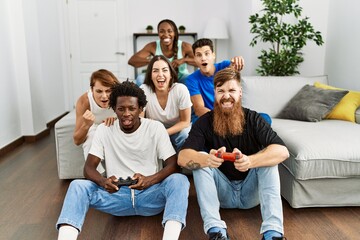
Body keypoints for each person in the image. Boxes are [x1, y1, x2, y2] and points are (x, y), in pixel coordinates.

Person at [56, 81, 190, 240]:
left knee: (179, 180)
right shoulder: (104, 130)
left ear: (141, 109)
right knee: (77, 185)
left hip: (150, 195)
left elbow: (173, 164)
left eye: (132, 108)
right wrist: (103, 181)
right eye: (121, 109)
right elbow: (89, 168)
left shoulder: (155, 128)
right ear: (114, 109)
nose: (126, 113)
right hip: (116, 197)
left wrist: (149, 180)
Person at [178, 68, 289, 240]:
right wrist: (207, 159)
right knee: (199, 161)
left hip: (251, 192)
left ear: (240, 92)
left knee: (268, 159)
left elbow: (282, 151)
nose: (226, 96)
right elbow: (183, 157)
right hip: (222, 194)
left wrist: (250, 161)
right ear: (214, 93)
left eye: (231, 90)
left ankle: (273, 233)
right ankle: (216, 232)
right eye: (221, 91)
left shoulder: (253, 118)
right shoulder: (203, 122)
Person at [140, 55, 192, 152]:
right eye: (155, 71)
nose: (160, 74)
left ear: (171, 74)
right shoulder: (144, 90)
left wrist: (164, 133)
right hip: (154, 132)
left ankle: (181, 162)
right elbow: (140, 120)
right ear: (150, 75)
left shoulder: (180, 89)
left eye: (164, 70)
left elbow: (185, 122)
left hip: (177, 132)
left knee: (186, 133)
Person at [185, 38, 244, 122]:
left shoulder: (225, 66)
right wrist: (221, 119)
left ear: (213, 55)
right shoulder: (192, 79)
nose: (203, 58)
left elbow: (232, 68)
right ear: (194, 58)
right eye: (199, 55)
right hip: (208, 117)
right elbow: (199, 109)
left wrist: (237, 60)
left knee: (264, 118)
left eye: (207, 54)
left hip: (229, 113)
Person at [73, 69, 119, 173]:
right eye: (99, 91)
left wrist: (117, 119)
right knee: (90, 141)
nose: (104, 96)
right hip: (93, 126)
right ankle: (97, 177)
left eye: (108, 91)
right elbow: (77, 141)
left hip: (116, 126)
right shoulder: (84, 101)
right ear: (91, 89)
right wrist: (86, 125)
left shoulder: (119, 96)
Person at [128, 19, 196, 86]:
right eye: (162, 31)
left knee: (190, 80)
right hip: (159, 77)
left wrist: (184, 60)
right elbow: (132, 61)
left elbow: (199, 61)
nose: (166, 35)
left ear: (174, 33)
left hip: (180, 77)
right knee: (140, 79)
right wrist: (153, 61)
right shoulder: (152, 46)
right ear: (158, 33)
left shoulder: (184, 46)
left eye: (170, 31)